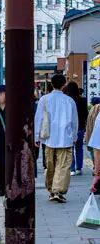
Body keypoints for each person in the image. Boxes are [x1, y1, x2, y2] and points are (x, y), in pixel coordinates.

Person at [34, 73, 78, 203]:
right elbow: (74, 122)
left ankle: (51, 189)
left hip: (48, 138)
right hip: (65, 137)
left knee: (50, 165)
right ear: (64, 84)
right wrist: (74, 136)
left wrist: (36, 137)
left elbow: (39, 119)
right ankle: (57, 190)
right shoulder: (70, 101)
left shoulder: (44, 99)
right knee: (63, 166)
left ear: (51, 84)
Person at [65, 82, 88, 176]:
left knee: (70, 149)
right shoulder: (83, 100)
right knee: (79, 148)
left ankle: (72, 169)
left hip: (69, 128)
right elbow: (85, 113)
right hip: (80, 127)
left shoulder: (67, 100)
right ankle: (79, 167)